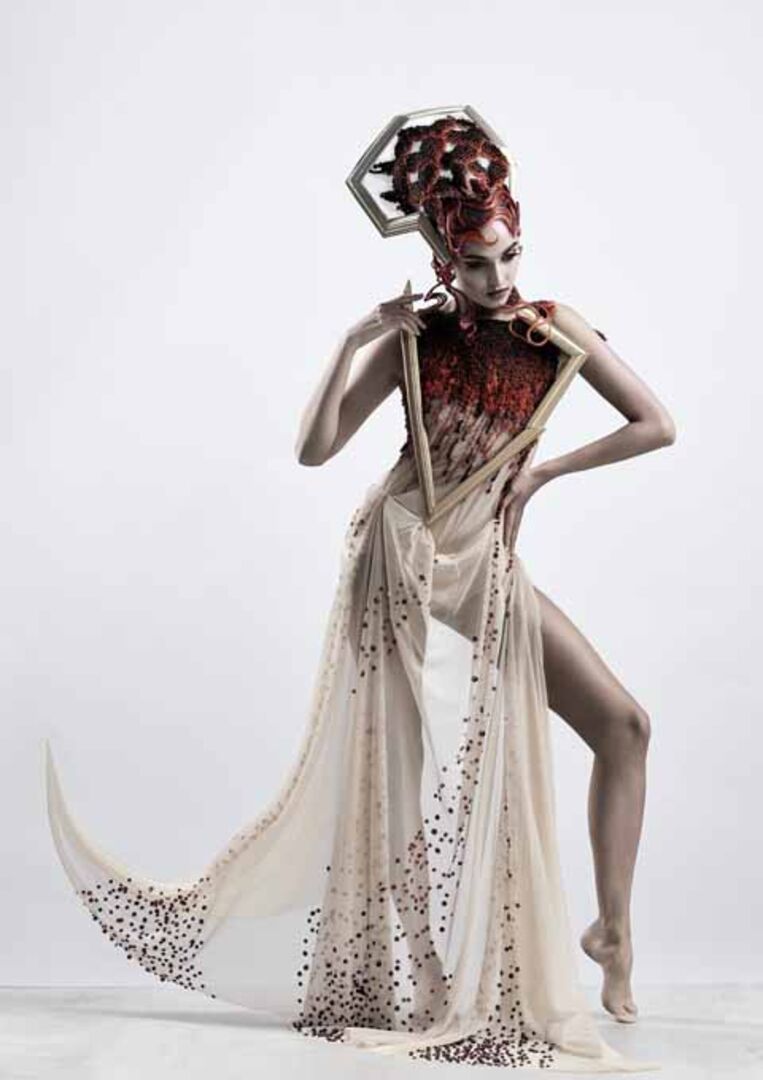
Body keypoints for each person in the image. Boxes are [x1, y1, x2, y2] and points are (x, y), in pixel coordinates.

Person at [44, 113, 673, 1071]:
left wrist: (543, 474)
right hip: (399, 552)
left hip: (483, 557)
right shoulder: (415, 342)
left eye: (508, 255)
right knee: (396, 773)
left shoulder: (553, 329)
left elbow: (653, 423)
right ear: (441, 262)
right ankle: (421, 967)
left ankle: (612, 931)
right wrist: (349, 341)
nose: (497, 278)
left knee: (623, 726)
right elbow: (315, 449)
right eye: (474, 264)